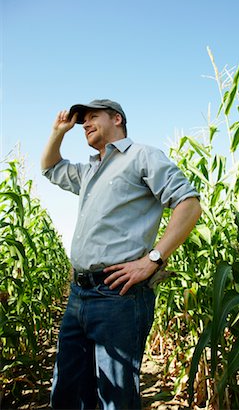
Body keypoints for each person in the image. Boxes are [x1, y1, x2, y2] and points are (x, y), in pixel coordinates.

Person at [41, 99, 201, 410]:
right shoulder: (89, 170)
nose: (85, 124)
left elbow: (189, 203)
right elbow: (50, 168)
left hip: (117, 294)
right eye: (82, 120)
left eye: (92, 117)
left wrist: (152, 260)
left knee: (115, 399)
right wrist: (58, 133)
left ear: (117, 119)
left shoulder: (142, 156)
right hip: (79, 295)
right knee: (67, 392)